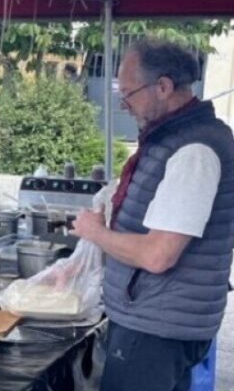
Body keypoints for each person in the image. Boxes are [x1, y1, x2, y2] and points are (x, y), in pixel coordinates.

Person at [69, 39, 233, 391]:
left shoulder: (195, 150)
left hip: (156, 328)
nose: (123, 104)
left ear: (163, 87)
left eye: (128, 92)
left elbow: (159, 255)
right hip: (156, 321)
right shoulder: (170, 139)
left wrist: (94, 232)